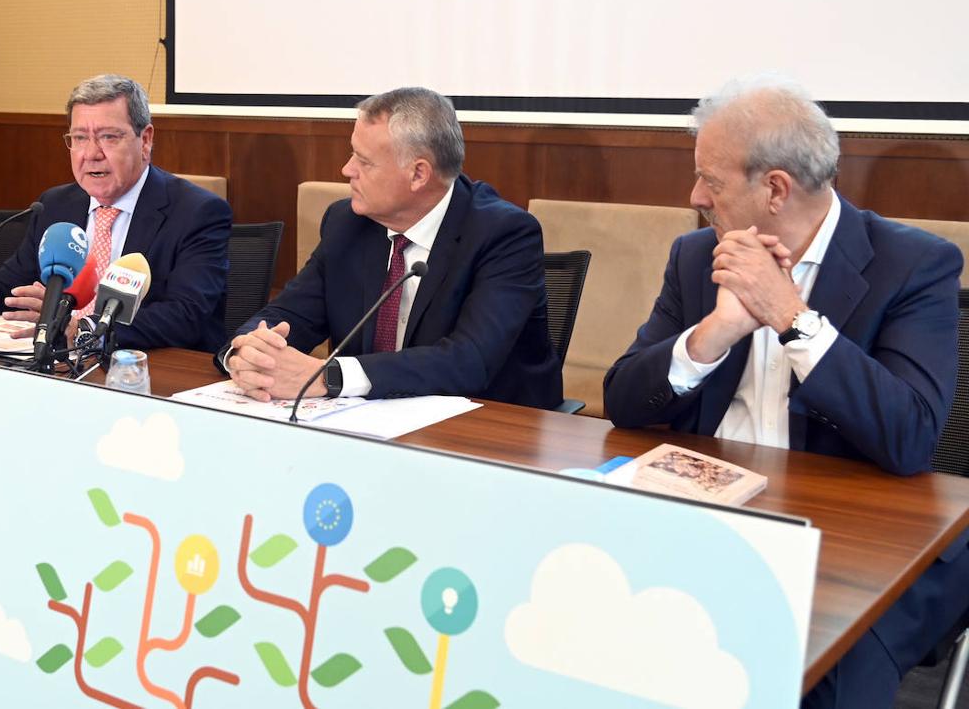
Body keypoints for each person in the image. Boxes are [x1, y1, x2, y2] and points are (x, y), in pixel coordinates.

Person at [602, 75, 969, 708]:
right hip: (713, 512)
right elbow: (625, 402)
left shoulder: (913, 264)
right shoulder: (697, 256)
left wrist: (791, 317)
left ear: (775, 188)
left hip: (857, 536)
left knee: (816, 669)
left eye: (710, 182)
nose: (695, 197)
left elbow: (909, 438)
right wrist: (714, 333)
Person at [220, 86, 562, 410]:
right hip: (369, 422)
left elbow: (470, 361)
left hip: (489, 429)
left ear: (418, 175)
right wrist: (247, 352)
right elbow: (290, 315)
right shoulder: (347, 223)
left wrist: (328, 376)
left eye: (363, 161)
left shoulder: (504, 234)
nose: (346, 170)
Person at [0, 74, 231, 352]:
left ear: (146, 140)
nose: (91, 153)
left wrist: (83, 329)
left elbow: (185, 315)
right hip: (59, 365)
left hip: (149, 373)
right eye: (80, 138)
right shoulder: (56, 205)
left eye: (109, 137)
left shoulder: (196, 212)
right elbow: (7, 286)